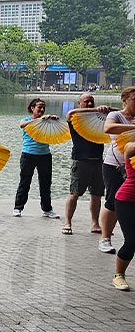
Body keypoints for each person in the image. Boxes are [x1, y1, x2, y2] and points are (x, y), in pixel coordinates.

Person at [63, 93, 109, 235]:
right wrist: (95, 110)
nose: (89, 104)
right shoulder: (76, 119)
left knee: (96, 195)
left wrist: (105, 109)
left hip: (98, 161)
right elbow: (69, 113)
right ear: (79, 103)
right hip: (80, 161)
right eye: (86, 101)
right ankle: (67, 222)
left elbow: (120, 113)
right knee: (74, 193)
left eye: (92, 102)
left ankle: (95, 223)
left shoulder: (100, 119)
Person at [13, 98, 59, 219]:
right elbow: (21, 125)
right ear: (32, 108)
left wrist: (54, 120)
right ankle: (18, 207)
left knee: (45, 183)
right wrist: (39, 119)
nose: (42, 110)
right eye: (39, 107)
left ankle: (47, 209)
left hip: (45, 155)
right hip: (28, 154)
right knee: (25, 182)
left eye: (44, 107)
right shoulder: (27, 120)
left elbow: (57, 128)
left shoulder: (46, 121)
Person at [102, 87, 135, 254]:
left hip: (134, 167)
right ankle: (105, 238)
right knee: (112, 201)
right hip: (115, 165)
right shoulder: (115, 116)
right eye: (134, 99)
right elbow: (108, 129)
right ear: (125, 100)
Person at [112, 138, 135, 291]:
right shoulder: (131, 146)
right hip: (127, 201)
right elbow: (128, 149)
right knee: (132, 241)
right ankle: (119, 275)